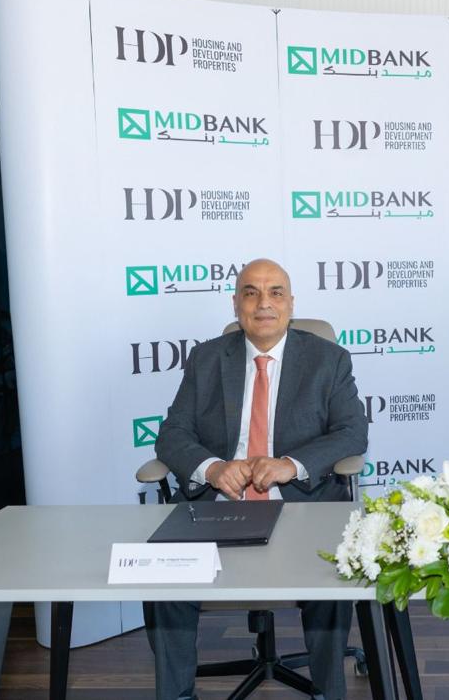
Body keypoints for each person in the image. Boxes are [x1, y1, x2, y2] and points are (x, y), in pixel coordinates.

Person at [145, 258, 368, 700]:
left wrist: (291, 463)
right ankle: (177, 695)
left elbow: (352, 432)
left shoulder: (328, 359)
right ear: (236, 305)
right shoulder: (207, 359)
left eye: (275, 292)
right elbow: (172, 435)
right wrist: (213, 468)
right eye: (251, 293)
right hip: (219, 507)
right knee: (162, 578)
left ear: (291, 303)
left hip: (302, 505)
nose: (263, 303)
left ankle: (328, 691)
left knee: (330, 572)